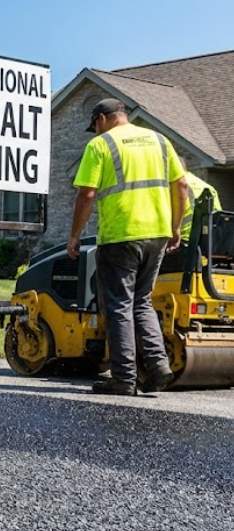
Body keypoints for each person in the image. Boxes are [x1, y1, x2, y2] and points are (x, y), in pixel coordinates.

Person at [67, 99, 188, 396]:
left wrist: (74, 235)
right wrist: (175, 227)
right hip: (157, 233)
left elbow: (87, 193)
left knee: (120, 305)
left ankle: (123, 378)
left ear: (102, 119)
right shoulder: (160, 140)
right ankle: (158, 367)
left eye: (94, 125)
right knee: (142, 301)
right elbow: (182, 185)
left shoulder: (100, 145)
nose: (95, 131)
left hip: (121, 235)